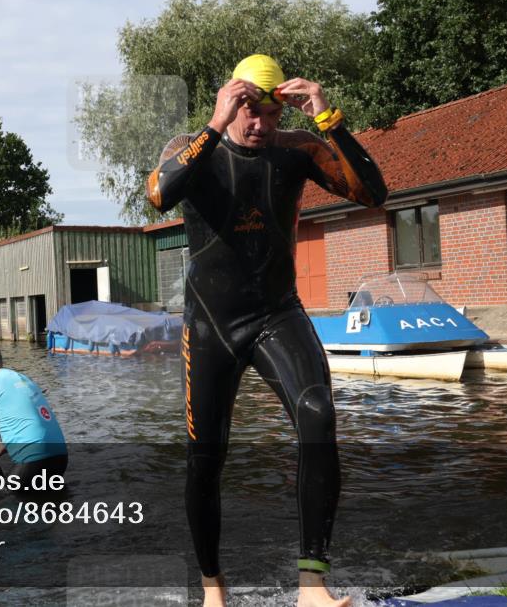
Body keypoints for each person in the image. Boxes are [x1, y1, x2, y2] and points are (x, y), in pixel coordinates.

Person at [147, 54, 387, 607]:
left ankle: (312, 588)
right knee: (206, 456)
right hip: (211, 324)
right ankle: (213, 590)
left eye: (270, 116)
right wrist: (212, 125)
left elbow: (373, 193)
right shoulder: (193, 145)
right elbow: (161, 193)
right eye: (249, 112)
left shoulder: (296, 150)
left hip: (277, 313)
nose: (260, 126)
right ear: (230, 104)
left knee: (319, 415)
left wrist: (328, 118)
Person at [0, 340, 67, 484]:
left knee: (4, 500)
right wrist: (5, 444)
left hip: (34, 461)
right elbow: (31, 424)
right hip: (60, 459)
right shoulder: (23, 379)